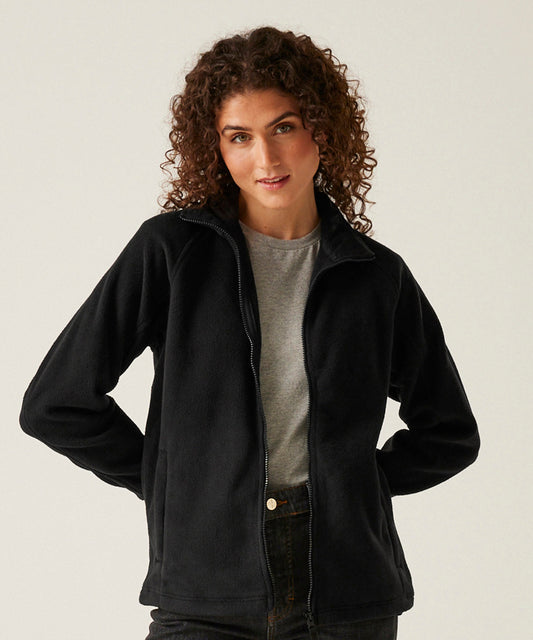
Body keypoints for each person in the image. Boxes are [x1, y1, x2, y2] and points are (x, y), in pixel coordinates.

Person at [19, 26, 480, 640]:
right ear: (216, 147)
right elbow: (55, 403)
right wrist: (179, 483)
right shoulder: (172, 252)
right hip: (207, 591)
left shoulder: (377, 276)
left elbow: (449, 432)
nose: (265, 158)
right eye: (239, 136)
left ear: (322, 130)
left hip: (346, 592)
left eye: (284, 127)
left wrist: (350, 486)